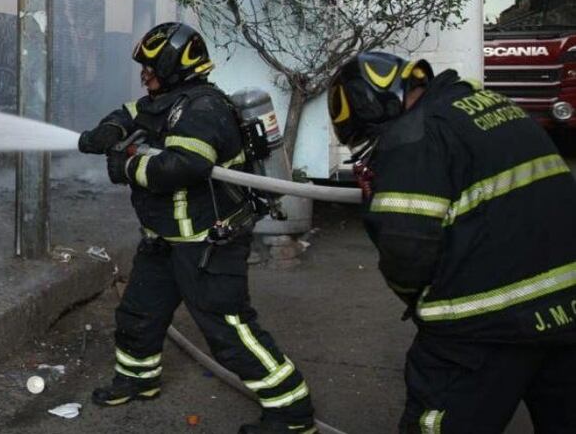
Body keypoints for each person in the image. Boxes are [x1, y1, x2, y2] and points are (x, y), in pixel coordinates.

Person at [79, 22, 316, 434]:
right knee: (139, 313)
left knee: (229, 329)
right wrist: (110, 130)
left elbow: (184, 166)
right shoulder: (166, 100)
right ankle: (138, 379)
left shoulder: (204, 109)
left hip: (207, 243)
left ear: (174, 66)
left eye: (151, 67)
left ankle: (292, 414)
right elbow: (132, 113)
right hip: (164, 240)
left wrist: (127, 165)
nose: (144, 75)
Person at [327, 51, 576, 433]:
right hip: (565, 311)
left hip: (481, 328)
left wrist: (416, 299)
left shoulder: (413, 137)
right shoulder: (493, 105)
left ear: (368, 106)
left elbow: (406, 250)